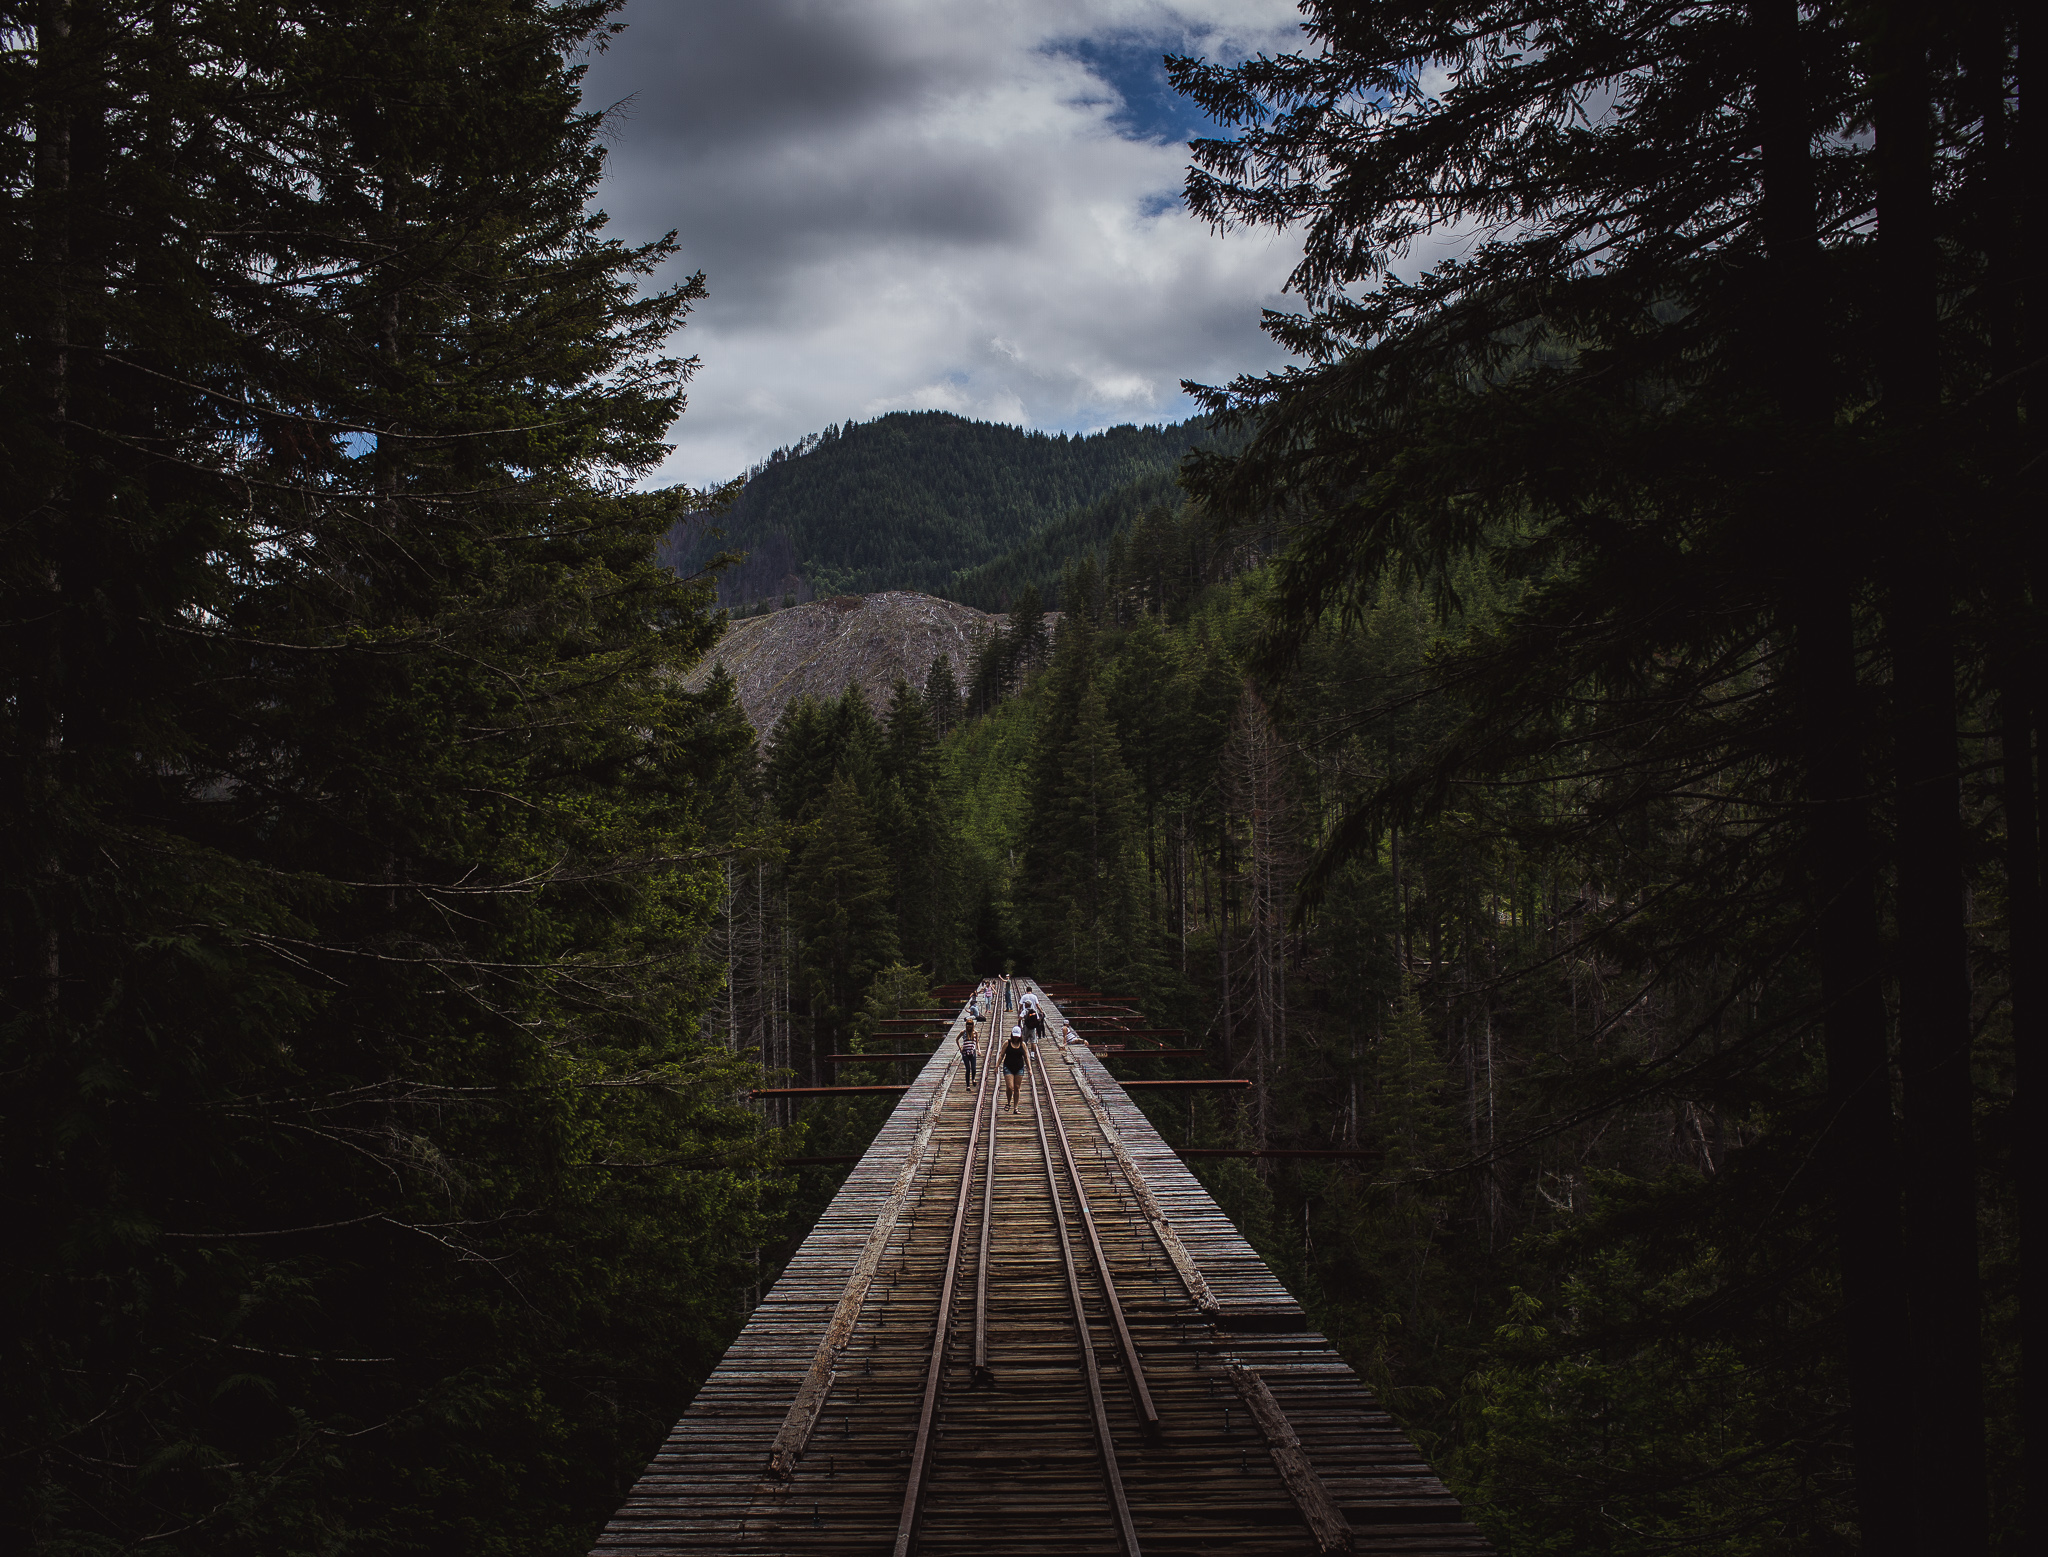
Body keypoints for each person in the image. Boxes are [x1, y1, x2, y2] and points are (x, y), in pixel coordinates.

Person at [1001, 1024, 1028, 1111]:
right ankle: (1008, 1102)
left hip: (1019, 1067)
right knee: (1010, 1087)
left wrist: (1030, 1069)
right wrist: (996, 1066)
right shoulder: (1007, 1043)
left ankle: (1015, 1107)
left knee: (1017, 1087)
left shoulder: (1022, 1044)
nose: (1016, 1038)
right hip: (1008, 1066)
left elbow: (1026, 1057)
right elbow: (1001, 1055)